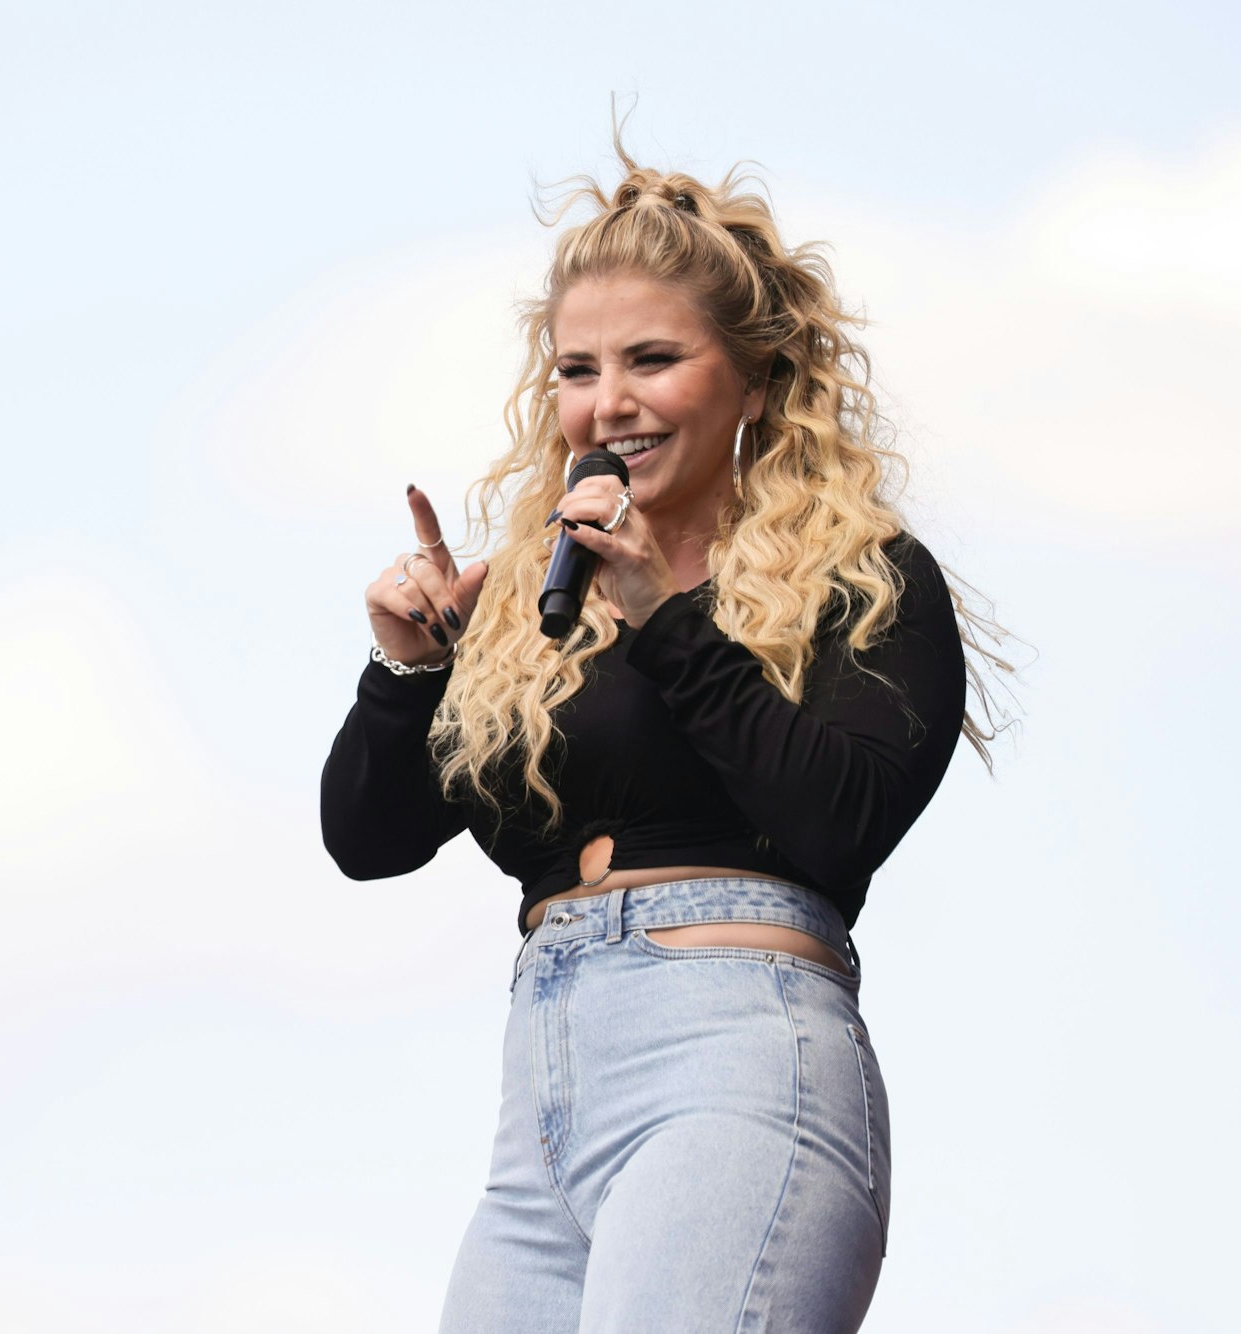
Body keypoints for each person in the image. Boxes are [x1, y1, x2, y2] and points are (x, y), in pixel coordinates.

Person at [319, 146, 1009, 1332]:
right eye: (579, 369)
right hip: (542, 1098)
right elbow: (368, 838)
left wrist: (665, 623)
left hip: (733, 1058)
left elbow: (837, 820)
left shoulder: (865, 579)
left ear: (751, 378)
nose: (610, 401)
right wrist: (409, 669)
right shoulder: (537, 604)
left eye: (652, 359)